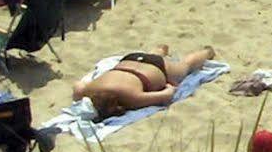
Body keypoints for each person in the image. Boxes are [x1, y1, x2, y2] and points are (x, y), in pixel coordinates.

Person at [76, 44, 215, 118]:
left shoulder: (133, 98)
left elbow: (167, 95)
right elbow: (78, 86)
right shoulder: (89, 90)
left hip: (157, 67)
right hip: (130, 59)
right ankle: (159, 50)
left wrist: (167, 85)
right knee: (150, 56)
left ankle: (206, 53)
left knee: (186, 66)